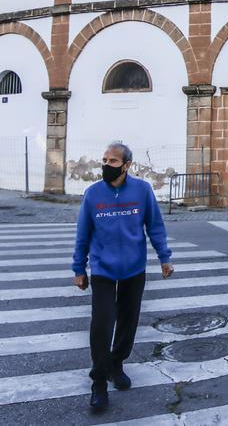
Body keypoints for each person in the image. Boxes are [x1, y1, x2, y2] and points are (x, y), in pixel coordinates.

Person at [72, 141, 174, 414]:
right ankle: (99, 382)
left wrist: (164, 257)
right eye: (104, 160)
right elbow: (83, 234)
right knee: (102, 323)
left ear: (127, 165)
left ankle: (117, 364)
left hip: (133, 270)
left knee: (128, 322)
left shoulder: (142, 191)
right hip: (103, 270)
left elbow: (155, 226)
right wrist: (78, 269)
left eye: (113, 161)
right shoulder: (93, 194)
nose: (106, 165)